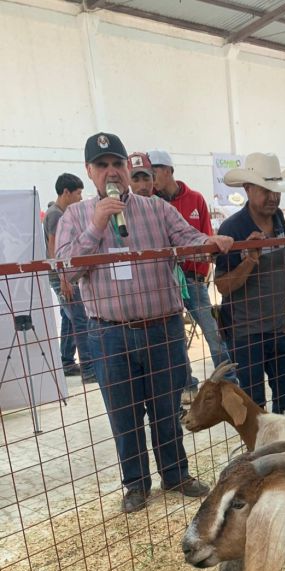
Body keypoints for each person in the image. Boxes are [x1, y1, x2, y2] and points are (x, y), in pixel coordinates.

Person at [56, 131, 234, 514]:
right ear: (89, 171)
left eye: (117, 164)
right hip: (108, 333)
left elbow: (188, 237)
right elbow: (67, 271)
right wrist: (97, 225)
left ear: (128, 168)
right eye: (102, 166)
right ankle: (136, 484)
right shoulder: (75, 216)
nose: (112, 173)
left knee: (167, 406)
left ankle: (176, 474)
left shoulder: (156, 209)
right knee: (124, 413)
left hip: (161, 327)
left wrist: (212, 241)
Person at [148, 148, 237, 398]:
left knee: (211, 331)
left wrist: (199, 268)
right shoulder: (151, 204)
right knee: (175, 338)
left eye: (154, 171)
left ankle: (229, 379)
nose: (151, 178)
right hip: (166, 282)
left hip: (193, 279)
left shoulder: (195, 199)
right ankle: (186, 382)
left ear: (168, 171)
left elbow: (206, 236)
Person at [214, 152, 285, 413]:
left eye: (276, 190)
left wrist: (283, 308)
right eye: (266, 190)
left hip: (276, 326)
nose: (273, 197)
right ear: (248, 189)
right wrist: (249, 260)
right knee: (254, 405)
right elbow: (222, 285)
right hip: (245, 332)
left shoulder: (279, 220)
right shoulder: (232, 228)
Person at [43, 173, 96, 383]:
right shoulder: (56, 215)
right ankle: (89, 369)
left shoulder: (56, 213)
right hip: (61, 276)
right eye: (78, 193)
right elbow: (53, 247)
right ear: (66, 192)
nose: (80, 198)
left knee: (68, 318)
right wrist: (64, 278)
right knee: (80, 319)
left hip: (59, 274)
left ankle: (65, 361)